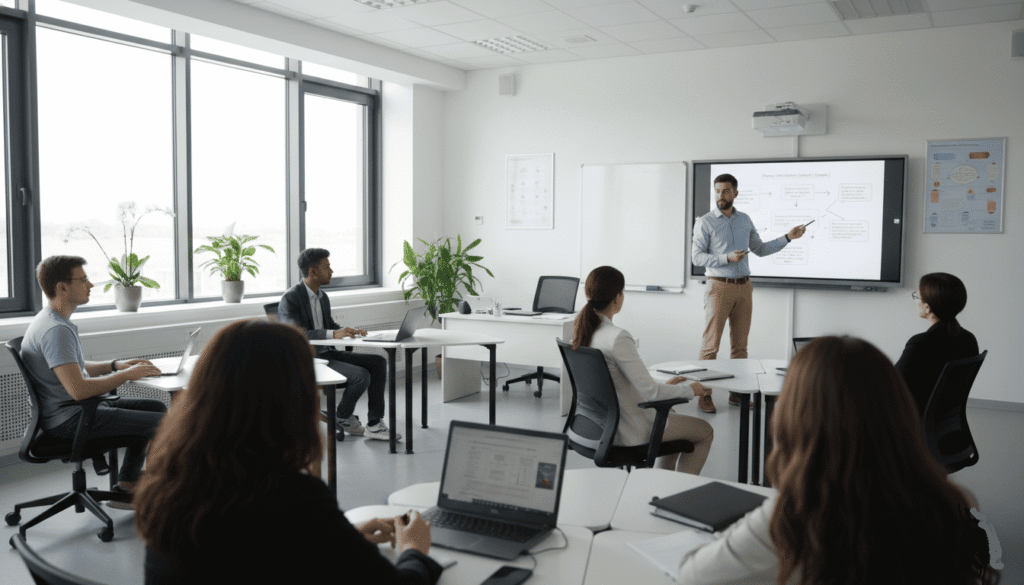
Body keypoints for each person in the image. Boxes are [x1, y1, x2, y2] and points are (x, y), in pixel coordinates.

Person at [135, 320, 442, 584]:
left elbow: (249, 558)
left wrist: (337, 541)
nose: (319, 392)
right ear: (290, 402)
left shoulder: (170, 481)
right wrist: (413, 550)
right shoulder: (292, 495)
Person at [677, 336, 1002, 585]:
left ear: (794, 418)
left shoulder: (790, 518)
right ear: (897, 407)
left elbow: (691, 574)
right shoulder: (957, 504)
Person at [19, 256, 166, 504]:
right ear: (62, 287)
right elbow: (78, 389)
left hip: (70, 411)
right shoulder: (56, 331)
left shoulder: (51, 320)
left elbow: (69, 367)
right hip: (72, 418)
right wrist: (125, 375)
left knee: (155, 408)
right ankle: (162, 490)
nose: (90, 285)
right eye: (83, 279)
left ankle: (128, 484)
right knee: (165, 423)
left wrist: (114, 365)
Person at [572, 266, 714, 474]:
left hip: (599, 428)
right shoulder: (617, 337)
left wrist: (664, 387)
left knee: (672, 418)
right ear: (618, 297)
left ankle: (659, 487)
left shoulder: (581, 334)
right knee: (705, 431)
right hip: (628, 431)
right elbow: (651, 393)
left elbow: (620, 385)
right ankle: (678, 494)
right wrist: (692, 389)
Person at [691, 173, 806, 412]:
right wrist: (726, 258)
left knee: (740, 347)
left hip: (744, 288)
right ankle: (704, 395)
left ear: (735, 193)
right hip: (718, 287)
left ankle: (737, 394)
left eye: (725, 191)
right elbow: (696, 257)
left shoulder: (745, 219)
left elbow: (761, 249)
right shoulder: (705, 222)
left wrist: (788, 237)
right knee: (710, 346)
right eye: (717, 191)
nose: (720, 196)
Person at [279, 247, 396, 440]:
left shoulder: (322, 297)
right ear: (312, 271)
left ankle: (375, 423)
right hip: (309, 359)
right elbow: (297, 333)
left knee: (378, 361)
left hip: (327, 353)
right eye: (326, 267)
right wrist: (334, 333)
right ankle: (342, 416)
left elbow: (329, 325)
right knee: (360, 376)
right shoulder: (291, 298)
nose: (331, 271)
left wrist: (347, 331)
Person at [895, 272, 979, 416]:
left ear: (928, 308)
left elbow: (892, 385)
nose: (916, 301)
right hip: (944, 419)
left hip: (912, 418)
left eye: (917, 296)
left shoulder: (920, 344)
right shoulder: (969, 339)